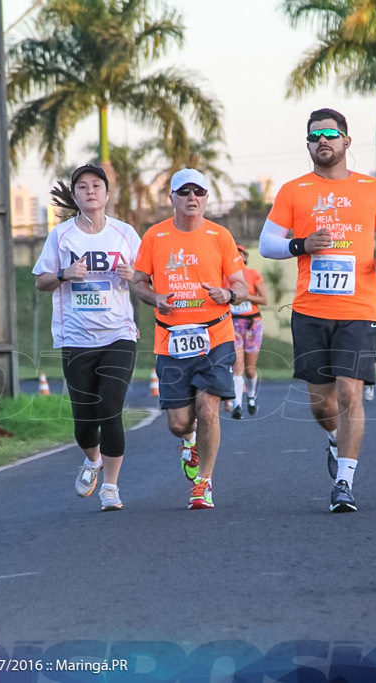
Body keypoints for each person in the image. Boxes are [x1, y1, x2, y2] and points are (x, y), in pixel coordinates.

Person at [258, 107, 376, 513]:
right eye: (315, 136)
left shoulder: (372, 188)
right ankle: (334, 436)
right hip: (310, 308)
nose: (323, 141)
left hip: (359, 306)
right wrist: (301, 245)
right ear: (308, 144)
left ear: (346, 142)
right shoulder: (294, 191)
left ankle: (344, 482)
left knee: (349, 392)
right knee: (322, 404)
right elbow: (267, 242)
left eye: (331, 134)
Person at [132, 168, 248, 510]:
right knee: (179, 422)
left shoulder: (220, 236)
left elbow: (241, 286)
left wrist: (227, 293)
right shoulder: (155, 237)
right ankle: (189, 441)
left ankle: (204, 483)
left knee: (208, 409)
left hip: (215, 336)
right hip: (171, 340)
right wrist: (155, 298)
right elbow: (138, 282)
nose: (192, 198)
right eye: (184, 192)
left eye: (198, 191)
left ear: (206, 198)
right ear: (172, 198)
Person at [33, 164, 141, 511]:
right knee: (84, 423)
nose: (90, 191)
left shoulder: (125, 234)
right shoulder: (61, 236)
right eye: (82, 187)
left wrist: (133, 274)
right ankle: (92, 460)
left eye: (97, 185)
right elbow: (41, 280)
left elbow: (145, 278)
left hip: (118, 335)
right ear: (76, 196)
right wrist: (65, 274)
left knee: (110, 407)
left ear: (107, 194)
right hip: (76, 338)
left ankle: (110, 486)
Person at [226, 244, 267, 419]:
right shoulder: (224, 276)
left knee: (250, 369)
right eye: (233, 253)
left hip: (252, 324)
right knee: (238, 366)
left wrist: (242, 295)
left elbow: (264, 299)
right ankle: (237, 405)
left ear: (244, 257)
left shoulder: (253, 274)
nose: (237, 256)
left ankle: (250, 397)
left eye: (240, 254)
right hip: (233, 324)